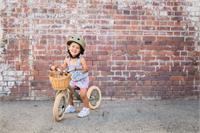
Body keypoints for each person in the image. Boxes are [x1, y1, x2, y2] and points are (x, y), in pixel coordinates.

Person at [50, 35, 90, 118]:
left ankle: (86, 108)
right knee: (69, 91)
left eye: (77, 48)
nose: (74, 49)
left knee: (83, 94)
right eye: (73, 46)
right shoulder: (67, 58)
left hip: (81, 79)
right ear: (69, 47)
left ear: (80, 50)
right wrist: (56, 67)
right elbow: (63, 67)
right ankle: (71, 106)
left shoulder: (81, 59)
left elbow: (86, 68)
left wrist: (78, 68)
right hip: (73, 78)